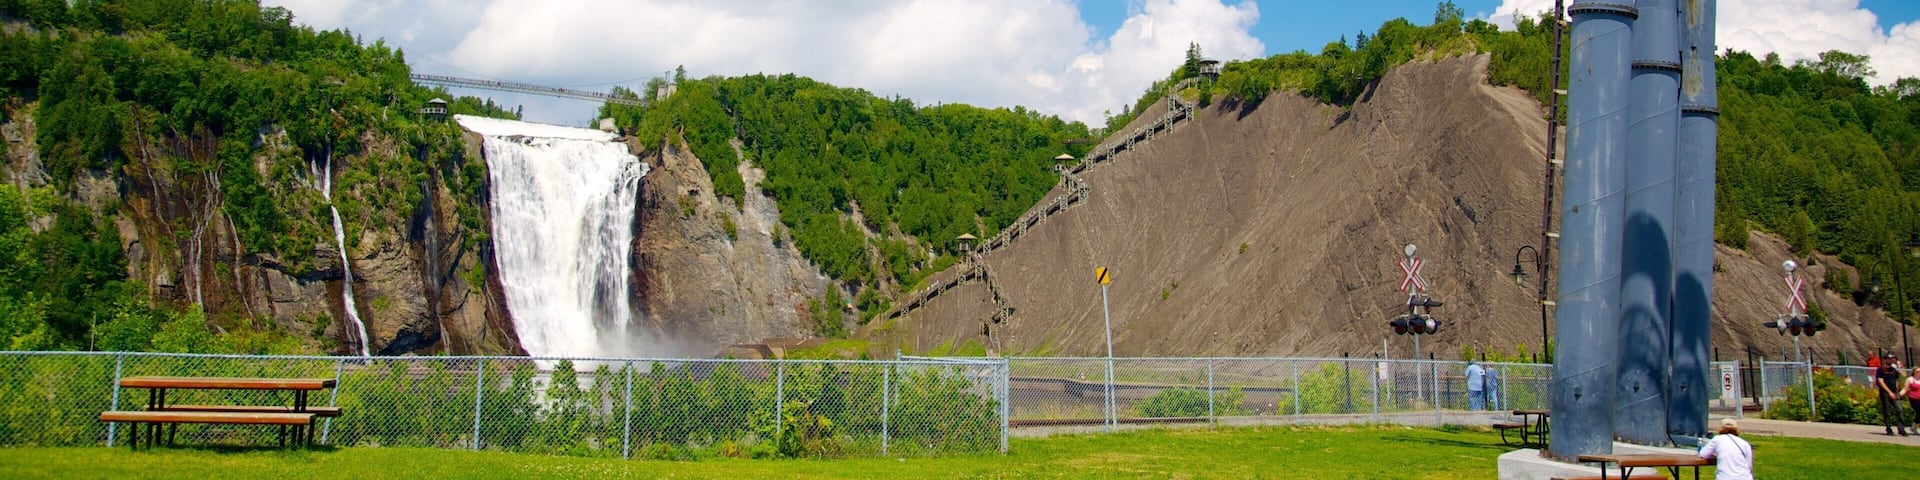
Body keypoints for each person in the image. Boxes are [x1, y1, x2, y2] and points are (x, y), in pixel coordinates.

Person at [1876, 354, 1909, 436]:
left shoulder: (1894, 370)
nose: (1892, 360)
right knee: (1887, 411)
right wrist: (1889, 392)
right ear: (1885, 360)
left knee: (1899, 409)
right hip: (1885, 392)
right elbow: (1881, 382)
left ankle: (1901, 429)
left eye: (1893, 359)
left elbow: (1896, 380)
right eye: (1890, 359)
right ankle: (1889, 428)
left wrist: (1897, 391)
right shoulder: (1880, 369)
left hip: (1894, 392)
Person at [1902, 366, 1920, 431]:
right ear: (1914, 372)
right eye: (1917, 371)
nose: (1919, 372)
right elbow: (1905, 389)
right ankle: (1914, 427)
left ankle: (1914, 427)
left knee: (1919, 414)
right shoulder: (1910, 379)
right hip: (1913, 399)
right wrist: (1899, 395)